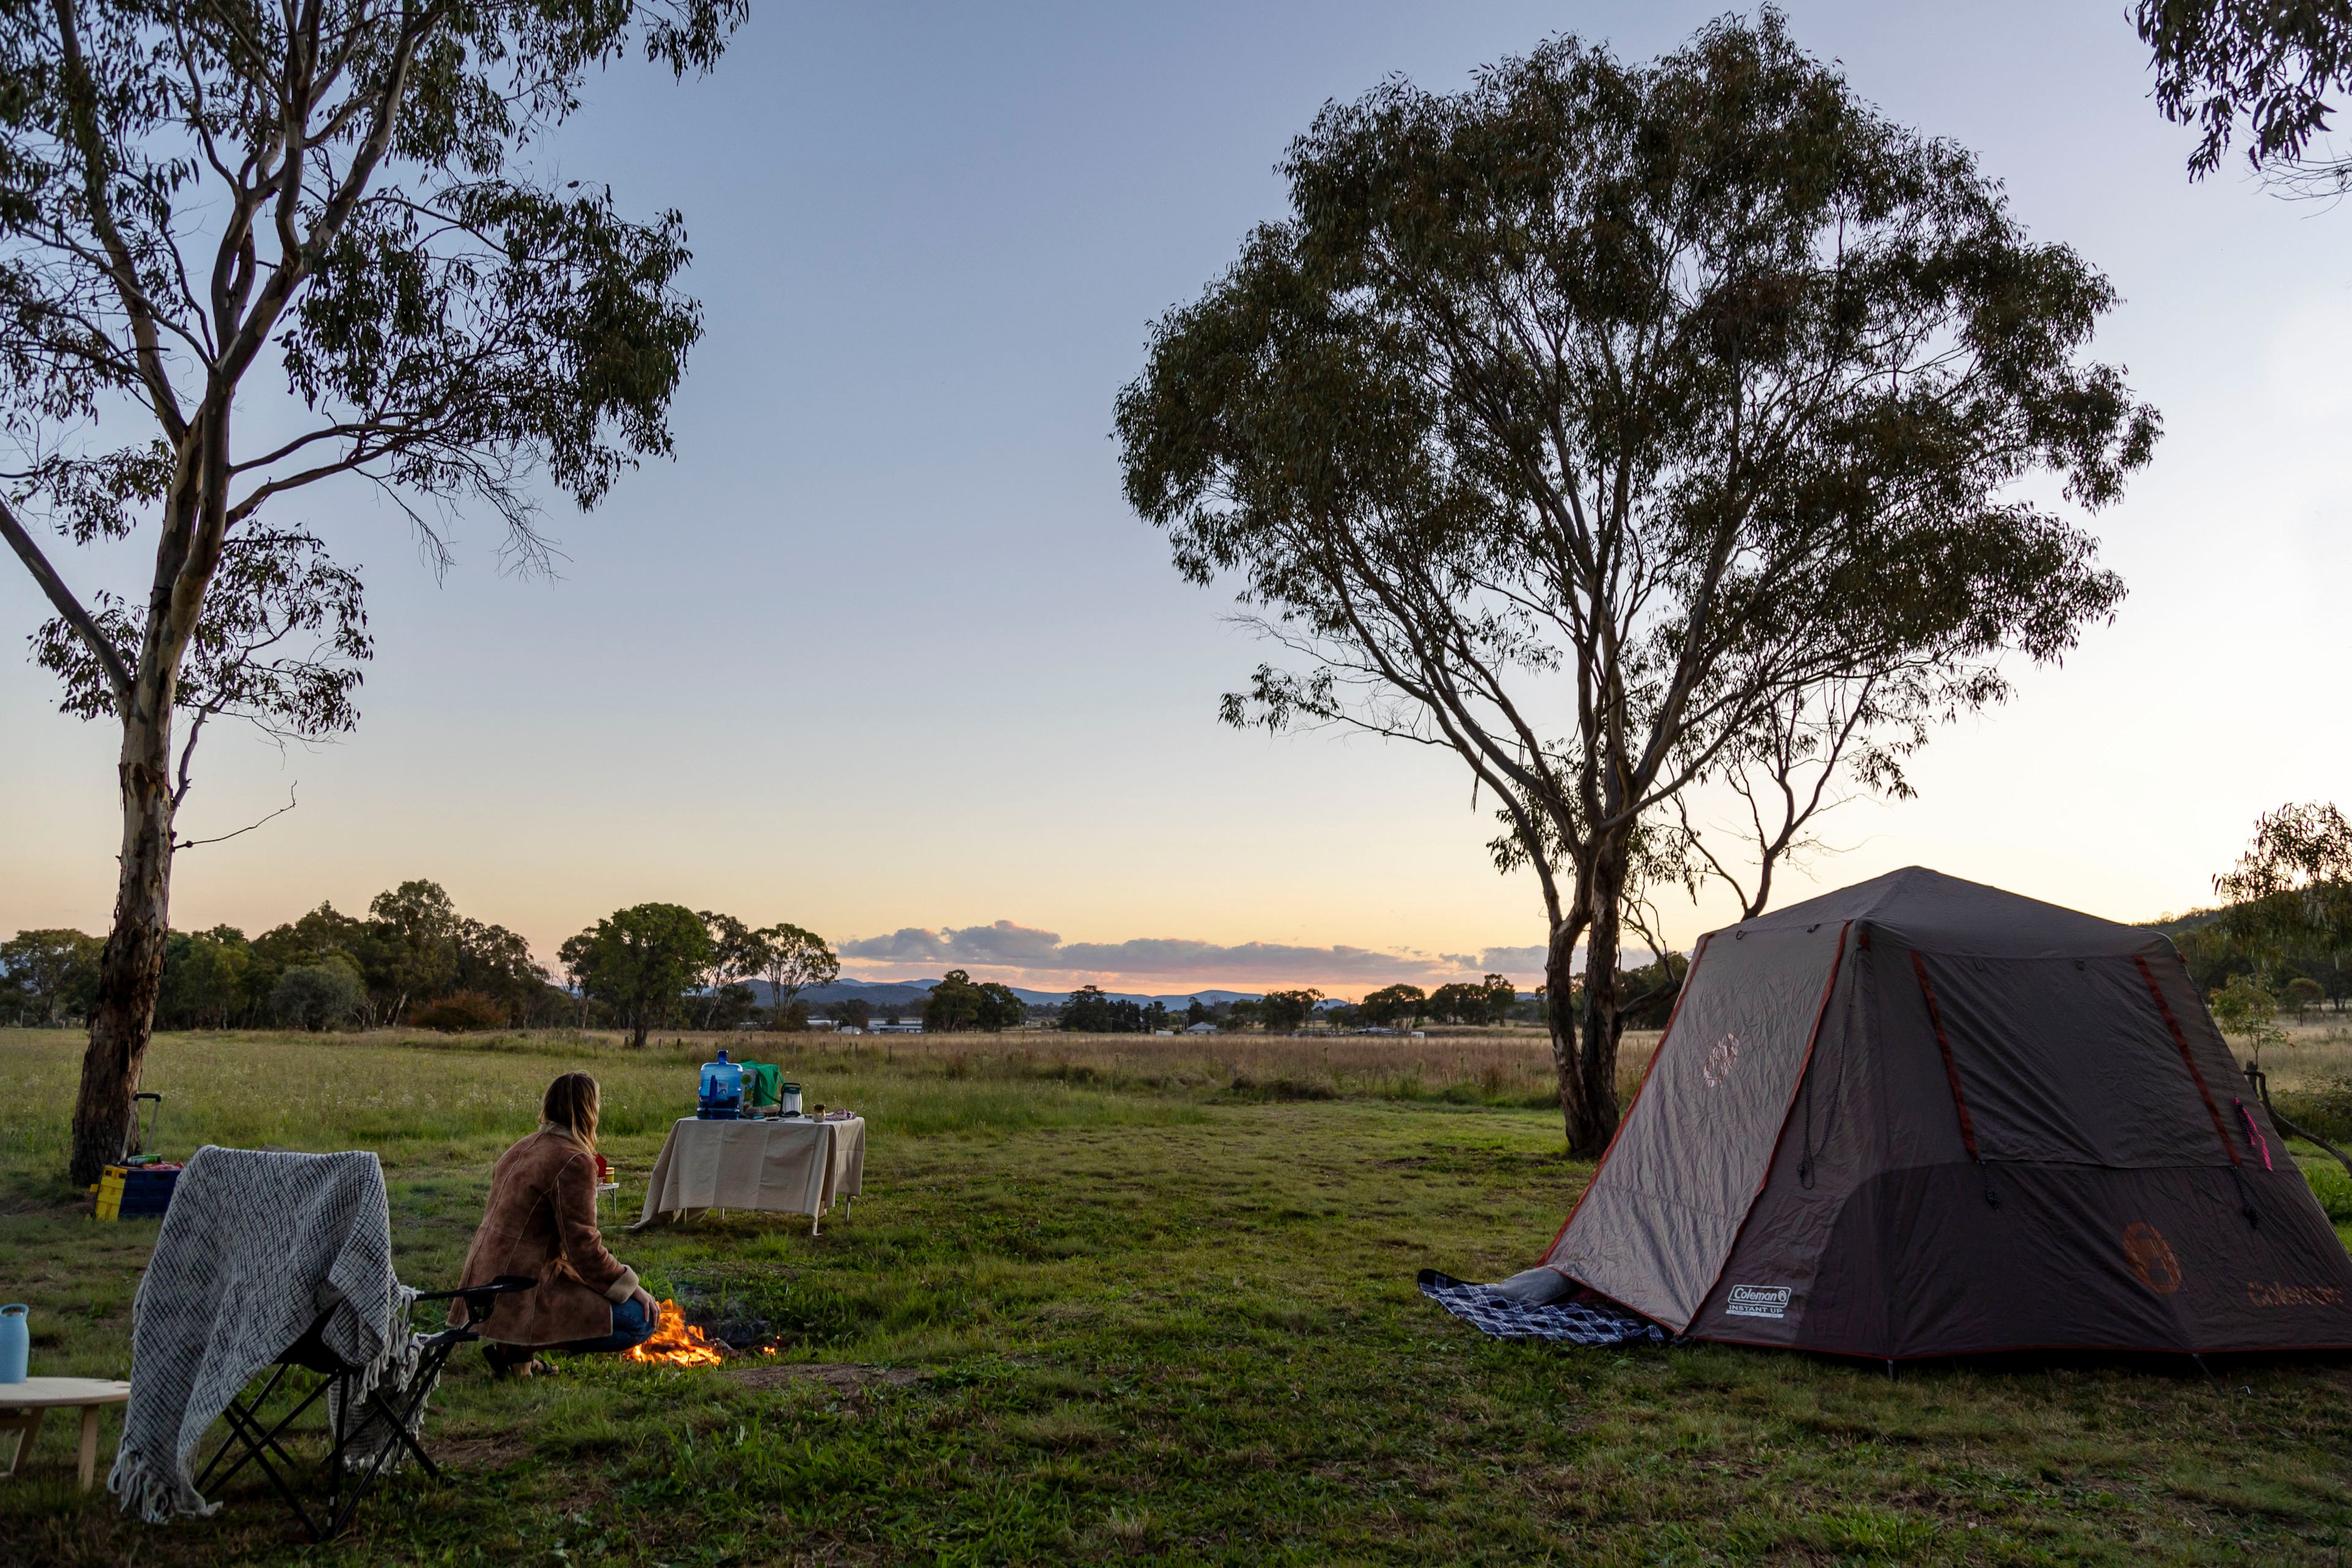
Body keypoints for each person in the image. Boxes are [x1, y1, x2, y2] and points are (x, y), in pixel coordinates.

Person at [453, 1071, 658, 1374]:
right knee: (640, 1322)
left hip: (484, 1282)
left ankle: (519, 1361)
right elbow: (584, 1249)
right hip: (522, 1288)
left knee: (602, 1300)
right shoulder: (575, 1161)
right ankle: (518, 1342)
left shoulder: (520, 1148)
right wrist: (632, 1286)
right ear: (590, 1110)